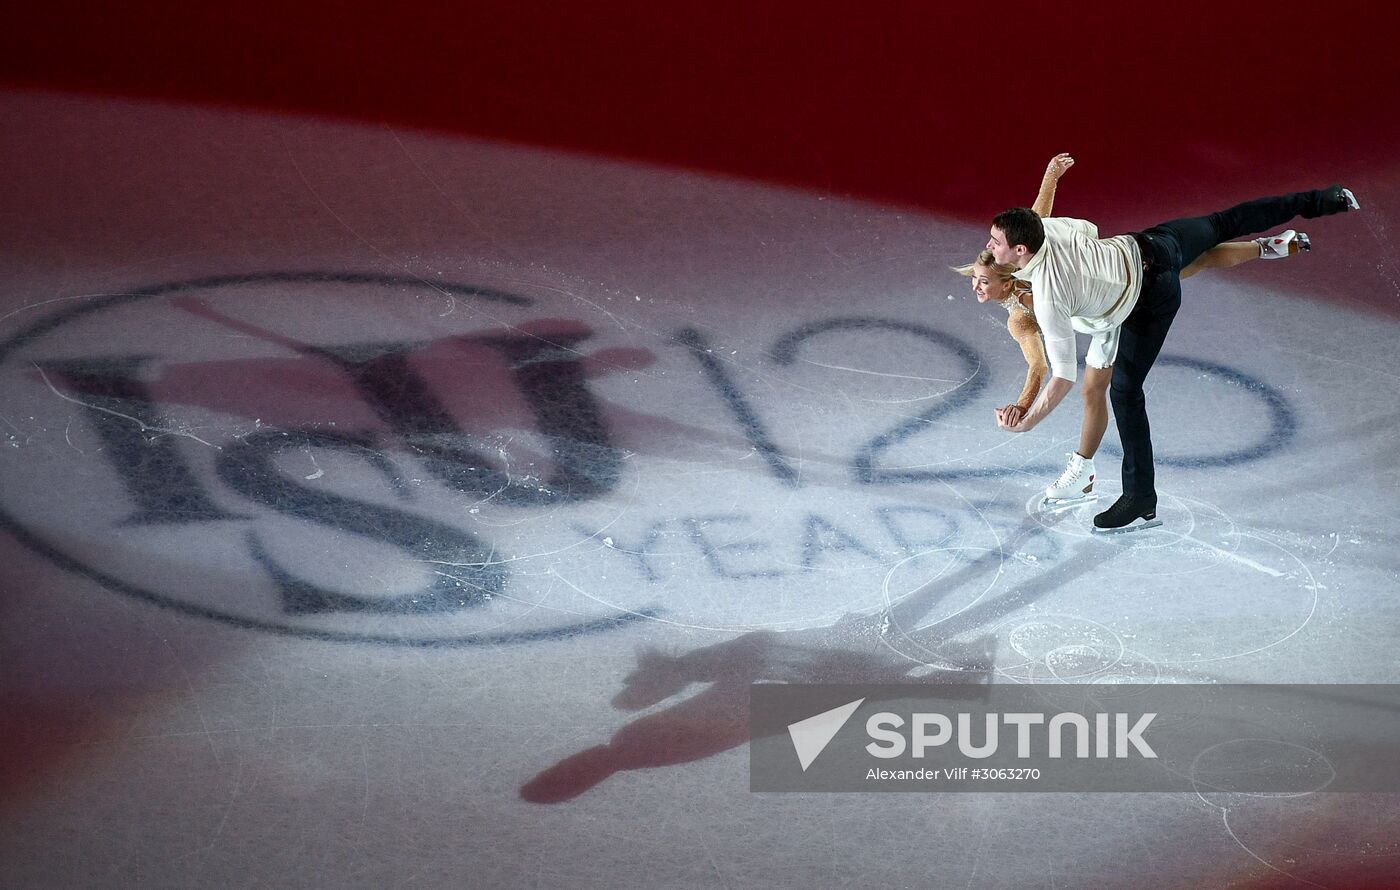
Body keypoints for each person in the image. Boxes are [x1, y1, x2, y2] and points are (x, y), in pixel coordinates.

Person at [984, 167, 1358, 530]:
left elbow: (1063, 376)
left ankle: (1140, 497)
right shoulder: (1047, 231)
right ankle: (1325, 200)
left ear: (1021, 249)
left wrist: (1027, 424)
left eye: (995, 242)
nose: (987, 246)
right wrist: (1052, 183)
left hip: (1148, 299)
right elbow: (1079, 228)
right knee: (1223, 223)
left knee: (1125, 393)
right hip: (1150, 245)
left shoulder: (1049, 296)